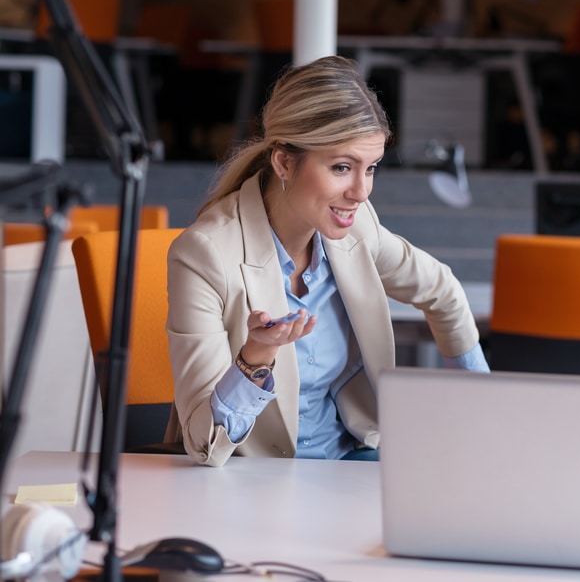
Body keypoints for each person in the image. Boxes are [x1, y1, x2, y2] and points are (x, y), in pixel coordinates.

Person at [165, 55, 488, 467]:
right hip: (254, 478)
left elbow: (441, 290)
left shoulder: (357, 228)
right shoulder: (204, 255)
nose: (360, 191)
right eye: (342, 167)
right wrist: (255, 359)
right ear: (284, 161)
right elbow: (203, 442)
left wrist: (483, 412)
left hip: (351, 463)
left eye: (370, 169)